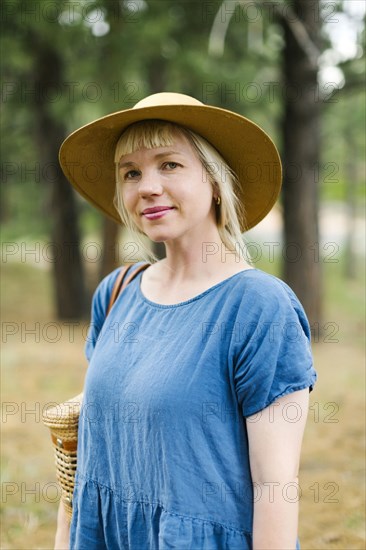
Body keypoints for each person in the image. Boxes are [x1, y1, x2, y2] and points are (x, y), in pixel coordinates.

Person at [55, 92, 317, 549]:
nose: (148, 187)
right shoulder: (117, 293)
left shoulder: (258, 307)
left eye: (169, 165)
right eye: (131, 173)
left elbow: (276, 488)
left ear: (215, 181)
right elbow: (84, 467)